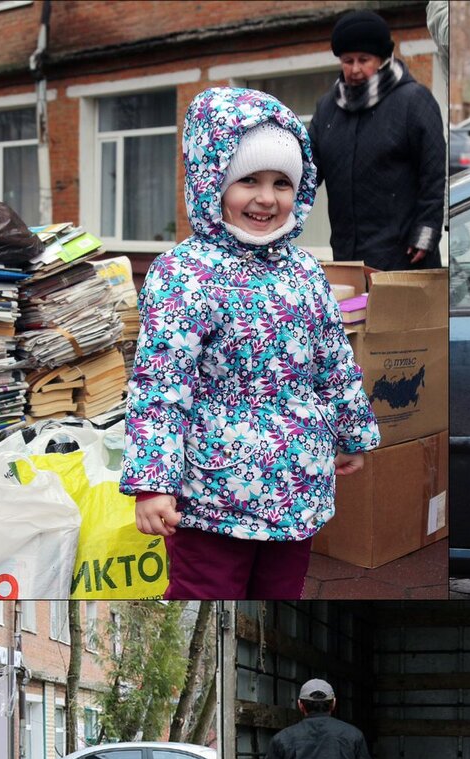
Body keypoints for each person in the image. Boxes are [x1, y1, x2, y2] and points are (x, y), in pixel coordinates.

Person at [119, 87, 380, 600]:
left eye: (282, 183)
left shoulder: (304, 269)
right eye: (248, 181)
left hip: (298, 484)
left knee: (281, 594)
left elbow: (333, 361)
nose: (266, 198)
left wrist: (350, 433)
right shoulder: (184, 274)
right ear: (212, 182)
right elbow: (159, 386)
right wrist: (153, 483)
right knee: (206, 596)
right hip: (214, 493)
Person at [310, 8, 446, 270]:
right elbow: (307, 172)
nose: (355, 69)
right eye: (347, 61)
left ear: (382, 59)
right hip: (347, 254)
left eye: (364, 59)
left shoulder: (413, 101)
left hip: (404, 255)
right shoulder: (327, 108)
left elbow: (434, 175)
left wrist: (426, 232)